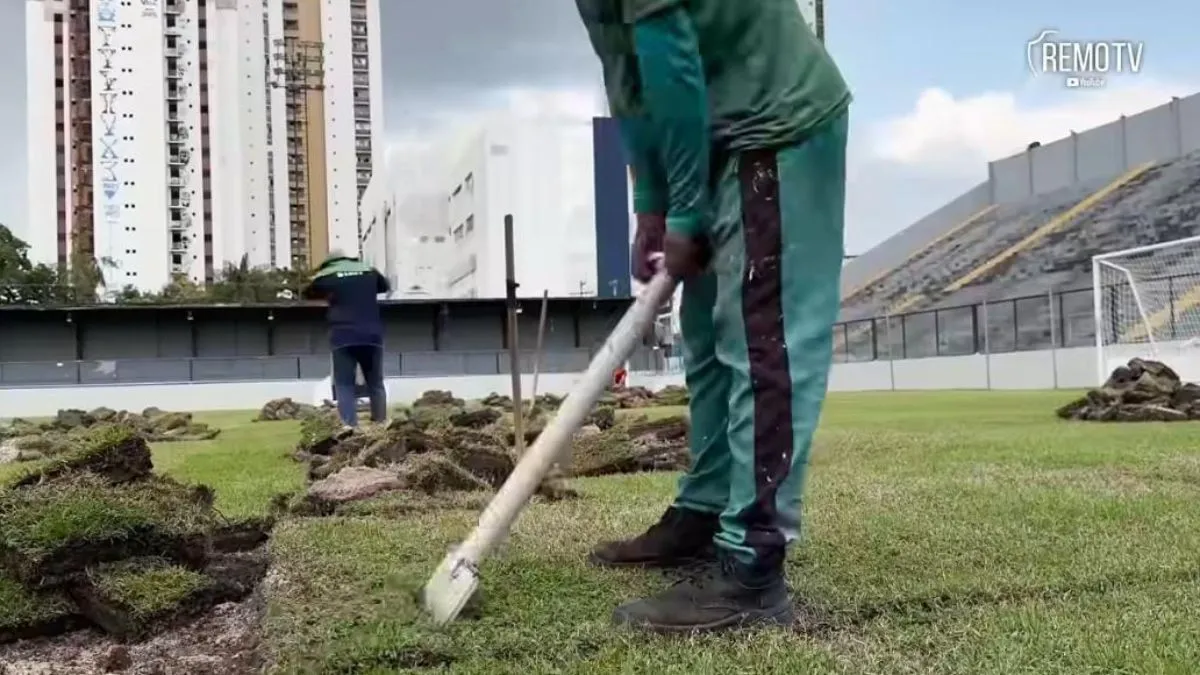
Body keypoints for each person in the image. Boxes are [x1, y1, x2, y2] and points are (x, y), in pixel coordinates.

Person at [575, 0, 851, 633]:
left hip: (775, 119)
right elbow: (627, 73)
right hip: (715, 140)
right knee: (704, 340)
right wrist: (652, 199)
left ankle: (753, 562)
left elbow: (673, 69)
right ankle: (704, 511)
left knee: (759, 339)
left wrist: (683, 211)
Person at [302, 251, 391, 427]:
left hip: (343, 336)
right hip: (372, 335)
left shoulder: (327, 275)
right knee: (376, 383)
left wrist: (331, 295)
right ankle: (380, 424)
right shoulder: (369, 271)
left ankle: (349, 426)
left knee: (344, 385)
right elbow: (384, 286)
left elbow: (307, 292)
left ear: (330, 263)